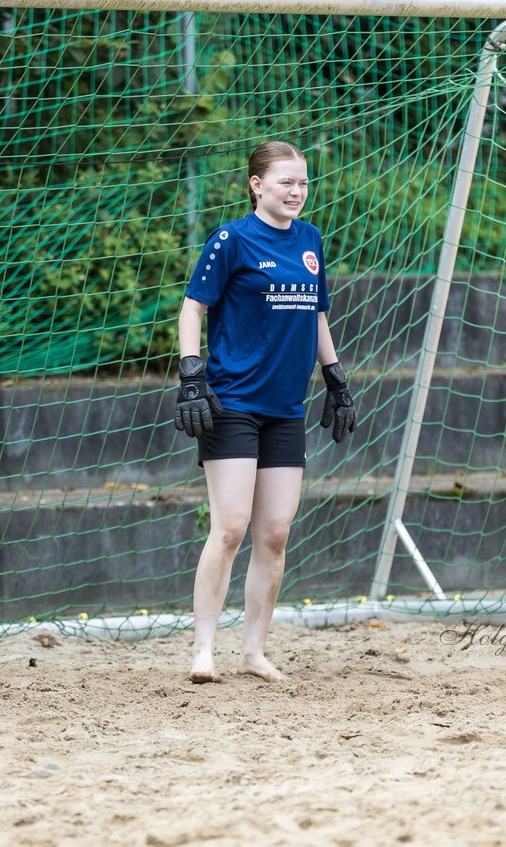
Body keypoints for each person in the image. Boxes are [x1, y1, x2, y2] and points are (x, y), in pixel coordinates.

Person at [174, 140, 357, 683]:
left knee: (274, 533)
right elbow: (193, 307)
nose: (296, 192)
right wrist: (190, 373)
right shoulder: (231, 239)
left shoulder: (310, 240)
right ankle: (204, 651)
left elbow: (316, 315)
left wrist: (336, 378)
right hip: (231, 403)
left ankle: (254, 653)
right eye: (285, 182)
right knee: (229, 528)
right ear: (257, 185)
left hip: (285, 409)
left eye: (302, 183)